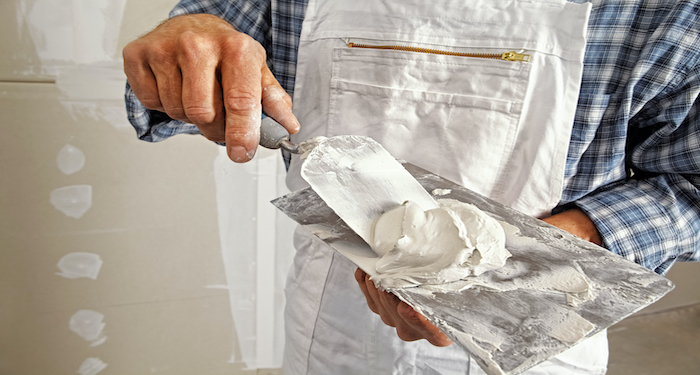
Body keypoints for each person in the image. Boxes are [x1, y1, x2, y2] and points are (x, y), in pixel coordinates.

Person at [123, 0, 700, 374]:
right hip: (331, 329)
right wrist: (187, 34)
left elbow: (689, 184)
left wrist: (523, 255)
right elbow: (192, 54)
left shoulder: (664, 11)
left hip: (535, 324)